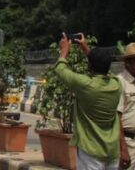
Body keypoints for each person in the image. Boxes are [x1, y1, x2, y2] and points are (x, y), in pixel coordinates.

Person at [54, 34, 121, 169]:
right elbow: (105, 69)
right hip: (112, 149)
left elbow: (60, 70)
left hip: (90, 149)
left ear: (90, 65)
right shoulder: (116, 84)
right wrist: (86, 48)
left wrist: (65, 50)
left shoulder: (86, 85)